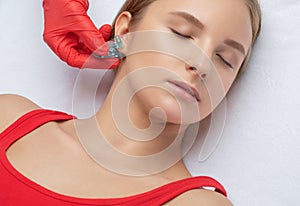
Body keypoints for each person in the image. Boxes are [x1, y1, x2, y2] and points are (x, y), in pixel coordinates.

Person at [0, 0, 261, 205]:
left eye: (225, 60)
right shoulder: (9, 116)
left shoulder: (196, 203)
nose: (203, 64)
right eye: (181, 34)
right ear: (125, 31)